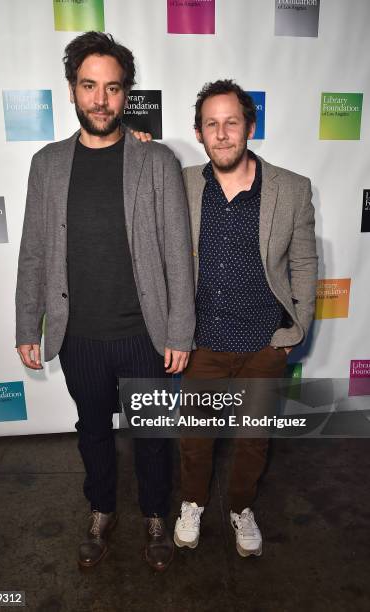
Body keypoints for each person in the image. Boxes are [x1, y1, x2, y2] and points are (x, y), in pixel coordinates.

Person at [15, 31, 195, 572]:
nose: (101, 99)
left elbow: (176, 255)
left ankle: (156, 516)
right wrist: (29, 324)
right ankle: (101, 510)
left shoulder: (156, 161)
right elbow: (33, 252)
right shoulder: (46, 164)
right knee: (92, 431)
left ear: (126, 94)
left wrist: (179, 333)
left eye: (112, 88)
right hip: (80, 336)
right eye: (89, 86)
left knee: (153, 438)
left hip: (145, 336)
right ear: (71, 91)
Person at [172, 79, 318, 557]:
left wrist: (297, 327)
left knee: (253, 441)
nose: (222, 133)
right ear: (198, 133)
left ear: (249, 126)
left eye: (231, 122)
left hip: (263, 342)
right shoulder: (183, 183)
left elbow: (303, 262)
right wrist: (136, 143)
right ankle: (192, 503)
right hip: (202, 342)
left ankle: (240, 507)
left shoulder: (292, 189)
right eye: (211, 124)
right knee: (195, 440)